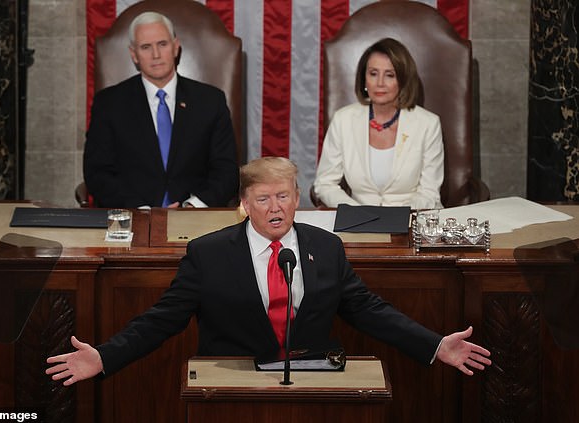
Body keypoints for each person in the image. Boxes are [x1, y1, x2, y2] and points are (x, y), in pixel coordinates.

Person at [46, 156, 490, 386]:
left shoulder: (325, 248)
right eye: (263, 198)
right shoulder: (209, 254)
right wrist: (105, 356)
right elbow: (161, 321)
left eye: (283, 196)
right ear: (245, 203)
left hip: (314, 388)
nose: (275, 208)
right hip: (234, 386)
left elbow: (370, 311)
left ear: (298, 198)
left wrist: (434, 346)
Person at [83, 11, 239, 208]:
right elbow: (97, 172)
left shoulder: (210, 101)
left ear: (175, 47)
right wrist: (140, 209)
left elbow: (226, 170)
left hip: (195, 217)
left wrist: (193, 206)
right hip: (132, 216)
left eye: (162, 44)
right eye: (146, 47)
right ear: (134, 54)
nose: (155, 55)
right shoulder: (109, 103)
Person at [313, 38, 444, 210]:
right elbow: (324, 184)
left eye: (390, 75)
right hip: (358, 221)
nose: (380, 83)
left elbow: (429, 193)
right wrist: (357, 211)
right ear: (364, 79)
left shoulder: (428, 124)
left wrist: (395, 217)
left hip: (412, 220)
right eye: (373, 73)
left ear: (403, 80)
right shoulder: (343, 119)